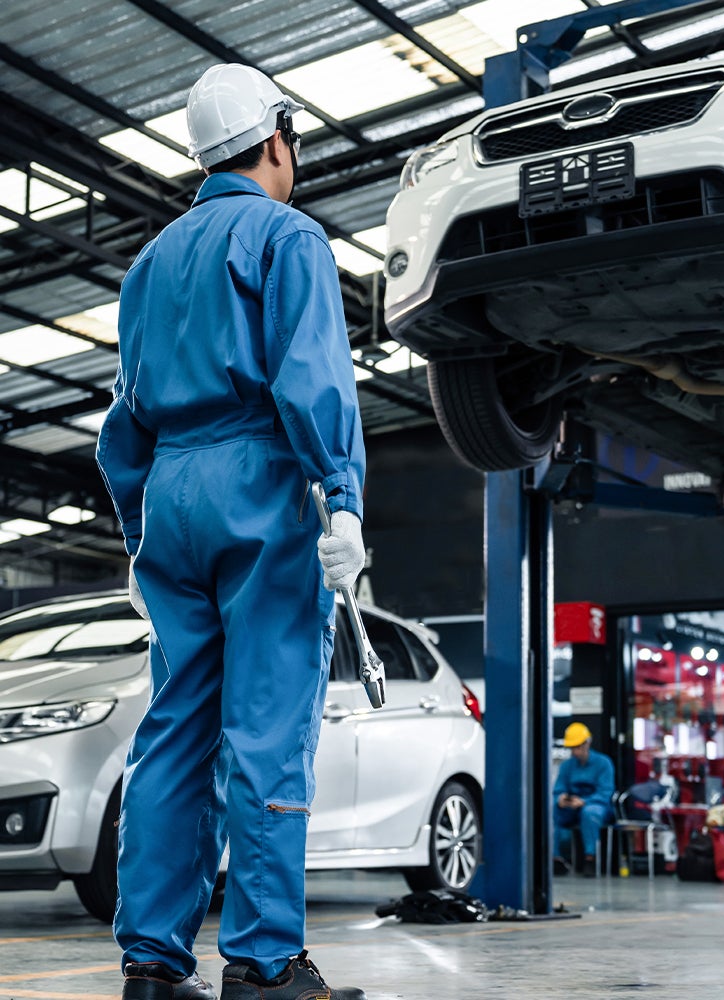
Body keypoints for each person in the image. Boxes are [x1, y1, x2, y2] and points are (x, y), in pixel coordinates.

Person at [99, 64, 366, 1000]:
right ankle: (263, 962)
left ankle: (153, 967)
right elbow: (310, 381)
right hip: (262, 489)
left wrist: (141, 536)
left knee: (172, 735)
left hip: (169, 495)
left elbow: (123, 424)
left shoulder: (147, 267)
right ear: (278, 138)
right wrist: (341, 498)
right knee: (265, 728)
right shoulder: (286, 236)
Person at [554, 722, 616, 875]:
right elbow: (559, 788)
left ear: (588, 742)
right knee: (550, 808)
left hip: (596, 805)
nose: (575, 751)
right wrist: (561, 799)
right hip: (571, 808)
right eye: (572, 748)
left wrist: (584, 802)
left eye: (578, 747)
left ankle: (590, 859)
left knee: (590, 813)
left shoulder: (603, 763)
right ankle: (555, 858)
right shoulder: (567, 766)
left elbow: (605, 792)